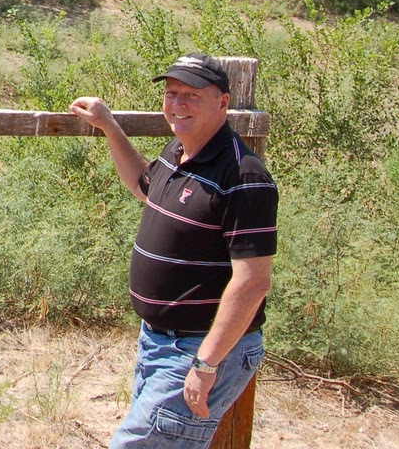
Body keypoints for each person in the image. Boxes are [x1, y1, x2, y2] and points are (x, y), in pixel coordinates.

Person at [69, 53, 277, 449]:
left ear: (223, 102)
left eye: (192, 95)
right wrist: (110, 125)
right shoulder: (179, 151)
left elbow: (253, 282)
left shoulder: (243, 176)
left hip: (199, 348)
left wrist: (207, 363)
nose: (178, 103)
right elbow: (144, 186)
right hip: (159, 341)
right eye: (171, 93)